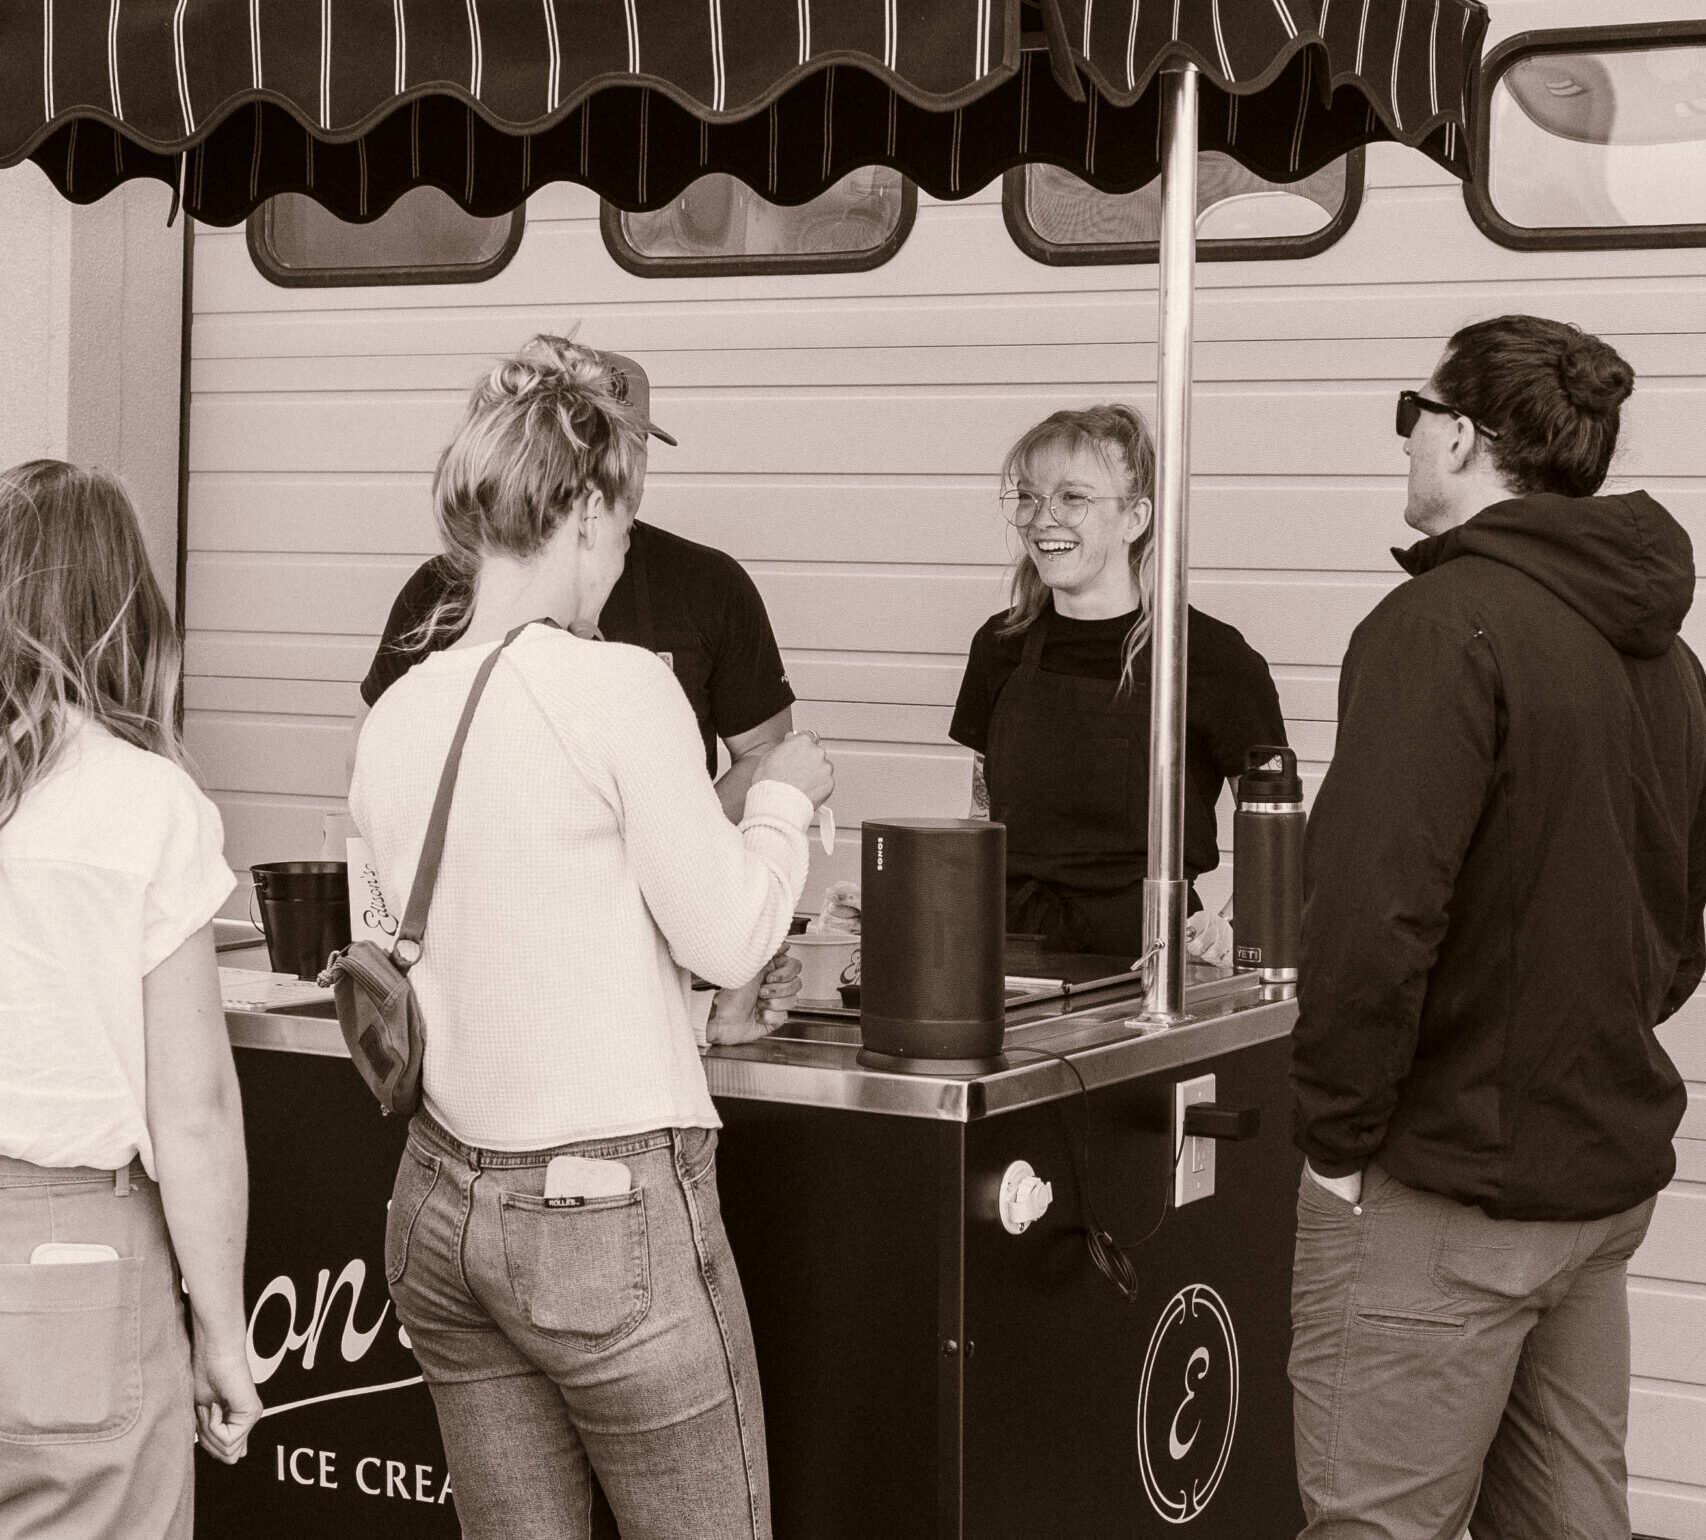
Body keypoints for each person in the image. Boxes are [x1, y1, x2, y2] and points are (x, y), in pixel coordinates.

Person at [350, 338, 833, 1540]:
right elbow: (728, 934)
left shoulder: (400, 711)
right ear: (578, 510)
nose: (624, 548)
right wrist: (782, 800)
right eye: (617, 521)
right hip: (602, 1204)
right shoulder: (617, 687)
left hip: (439, 1200)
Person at [1290, 315, 1706, 1539]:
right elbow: (1677, 918)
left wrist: (1331, 1138)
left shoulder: (1435, 627)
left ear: (1460, 435)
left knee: (1371, 1527)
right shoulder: (1664, 652)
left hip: (1446, 1186)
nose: (1407, 439)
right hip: (1589, 1181)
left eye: (1411, 414)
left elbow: (1369, 922)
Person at [0, 461, 262, 1538]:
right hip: (74, 1261)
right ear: (124, 609)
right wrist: (220, 1329)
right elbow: (190, 1111)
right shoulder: (144, 800)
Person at [359, 346, 794, 823]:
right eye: (599, 453)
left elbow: (764, 749)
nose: (617, 475)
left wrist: (677, 841)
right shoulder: (437, 591)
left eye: (634, 448)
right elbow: (369, 758)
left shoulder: (710, 584)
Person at [948, 404, 1286, 959]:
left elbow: (1276, 831)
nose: (1041, 519)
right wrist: (917, 897)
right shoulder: (1000, 648)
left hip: (1148, 954)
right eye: (1029, 497)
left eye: (1073, 498)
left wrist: (1233, 929)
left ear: (1136, 518)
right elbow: (983, 816)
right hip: (1013, 951)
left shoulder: (1208, 658)